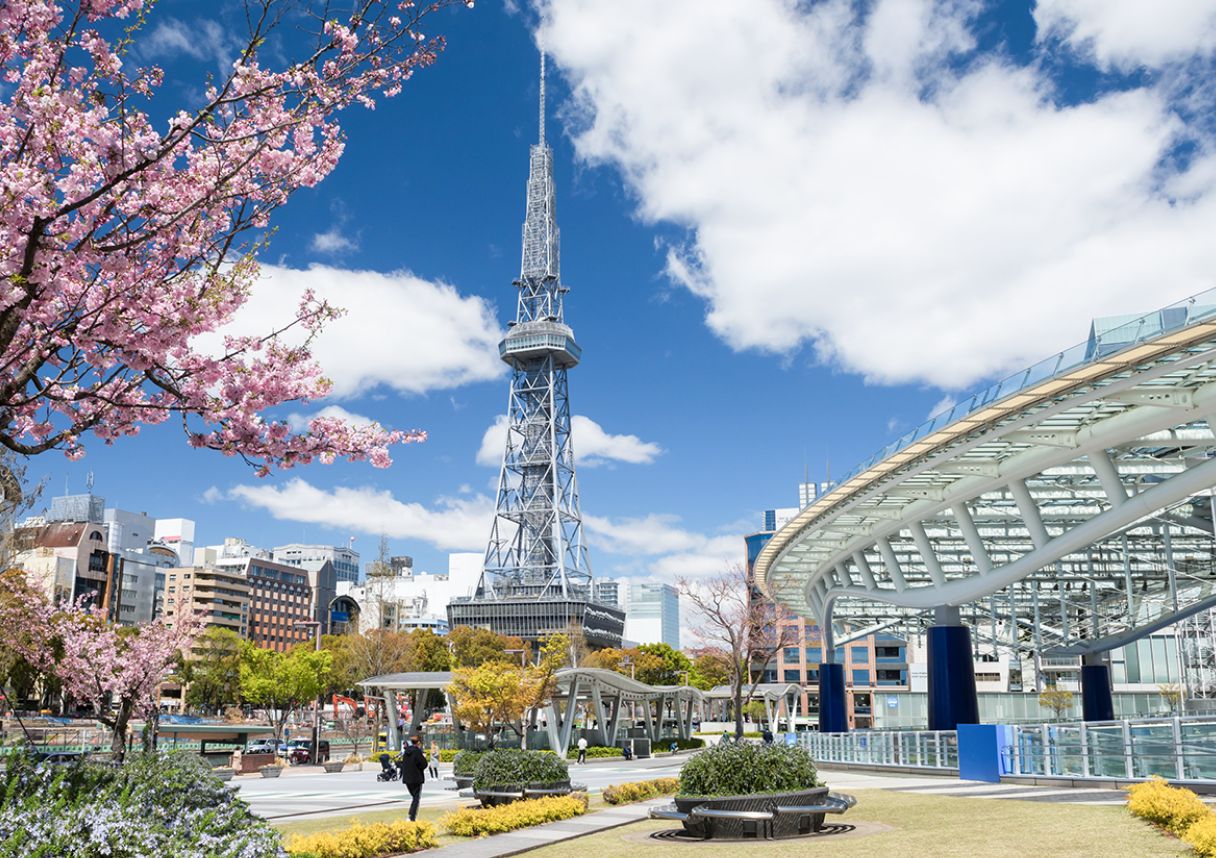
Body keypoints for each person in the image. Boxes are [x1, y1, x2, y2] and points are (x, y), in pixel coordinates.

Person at [396, 734, 428, 821]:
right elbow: (423, 764)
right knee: (416, 798)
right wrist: (424, 758)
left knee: (414, 797)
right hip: (416, 778)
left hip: (407, 778)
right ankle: (411, 816)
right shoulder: (417, 752)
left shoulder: (406, 752)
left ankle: (411, 815)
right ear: (418, 743)